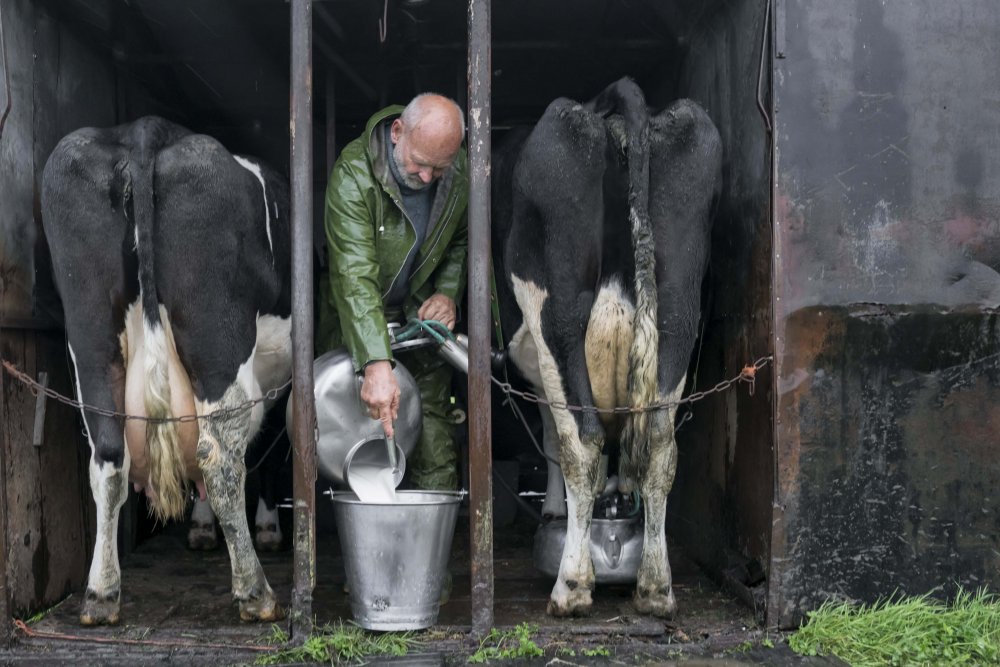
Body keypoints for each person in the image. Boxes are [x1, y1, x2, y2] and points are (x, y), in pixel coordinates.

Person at [317, 93, 468, 491]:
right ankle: (363, 545)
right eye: (419, 164)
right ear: (397, 132)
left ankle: (428, 545)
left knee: (433, 434)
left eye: (439, 169)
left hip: (420, 324)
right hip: (356, 323)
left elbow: (464, 240)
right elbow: (354, 276)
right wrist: (374, 362)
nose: (426, 178)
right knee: (355, 434)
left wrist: (448, 293)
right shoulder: (353, 176)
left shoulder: (457, 170)